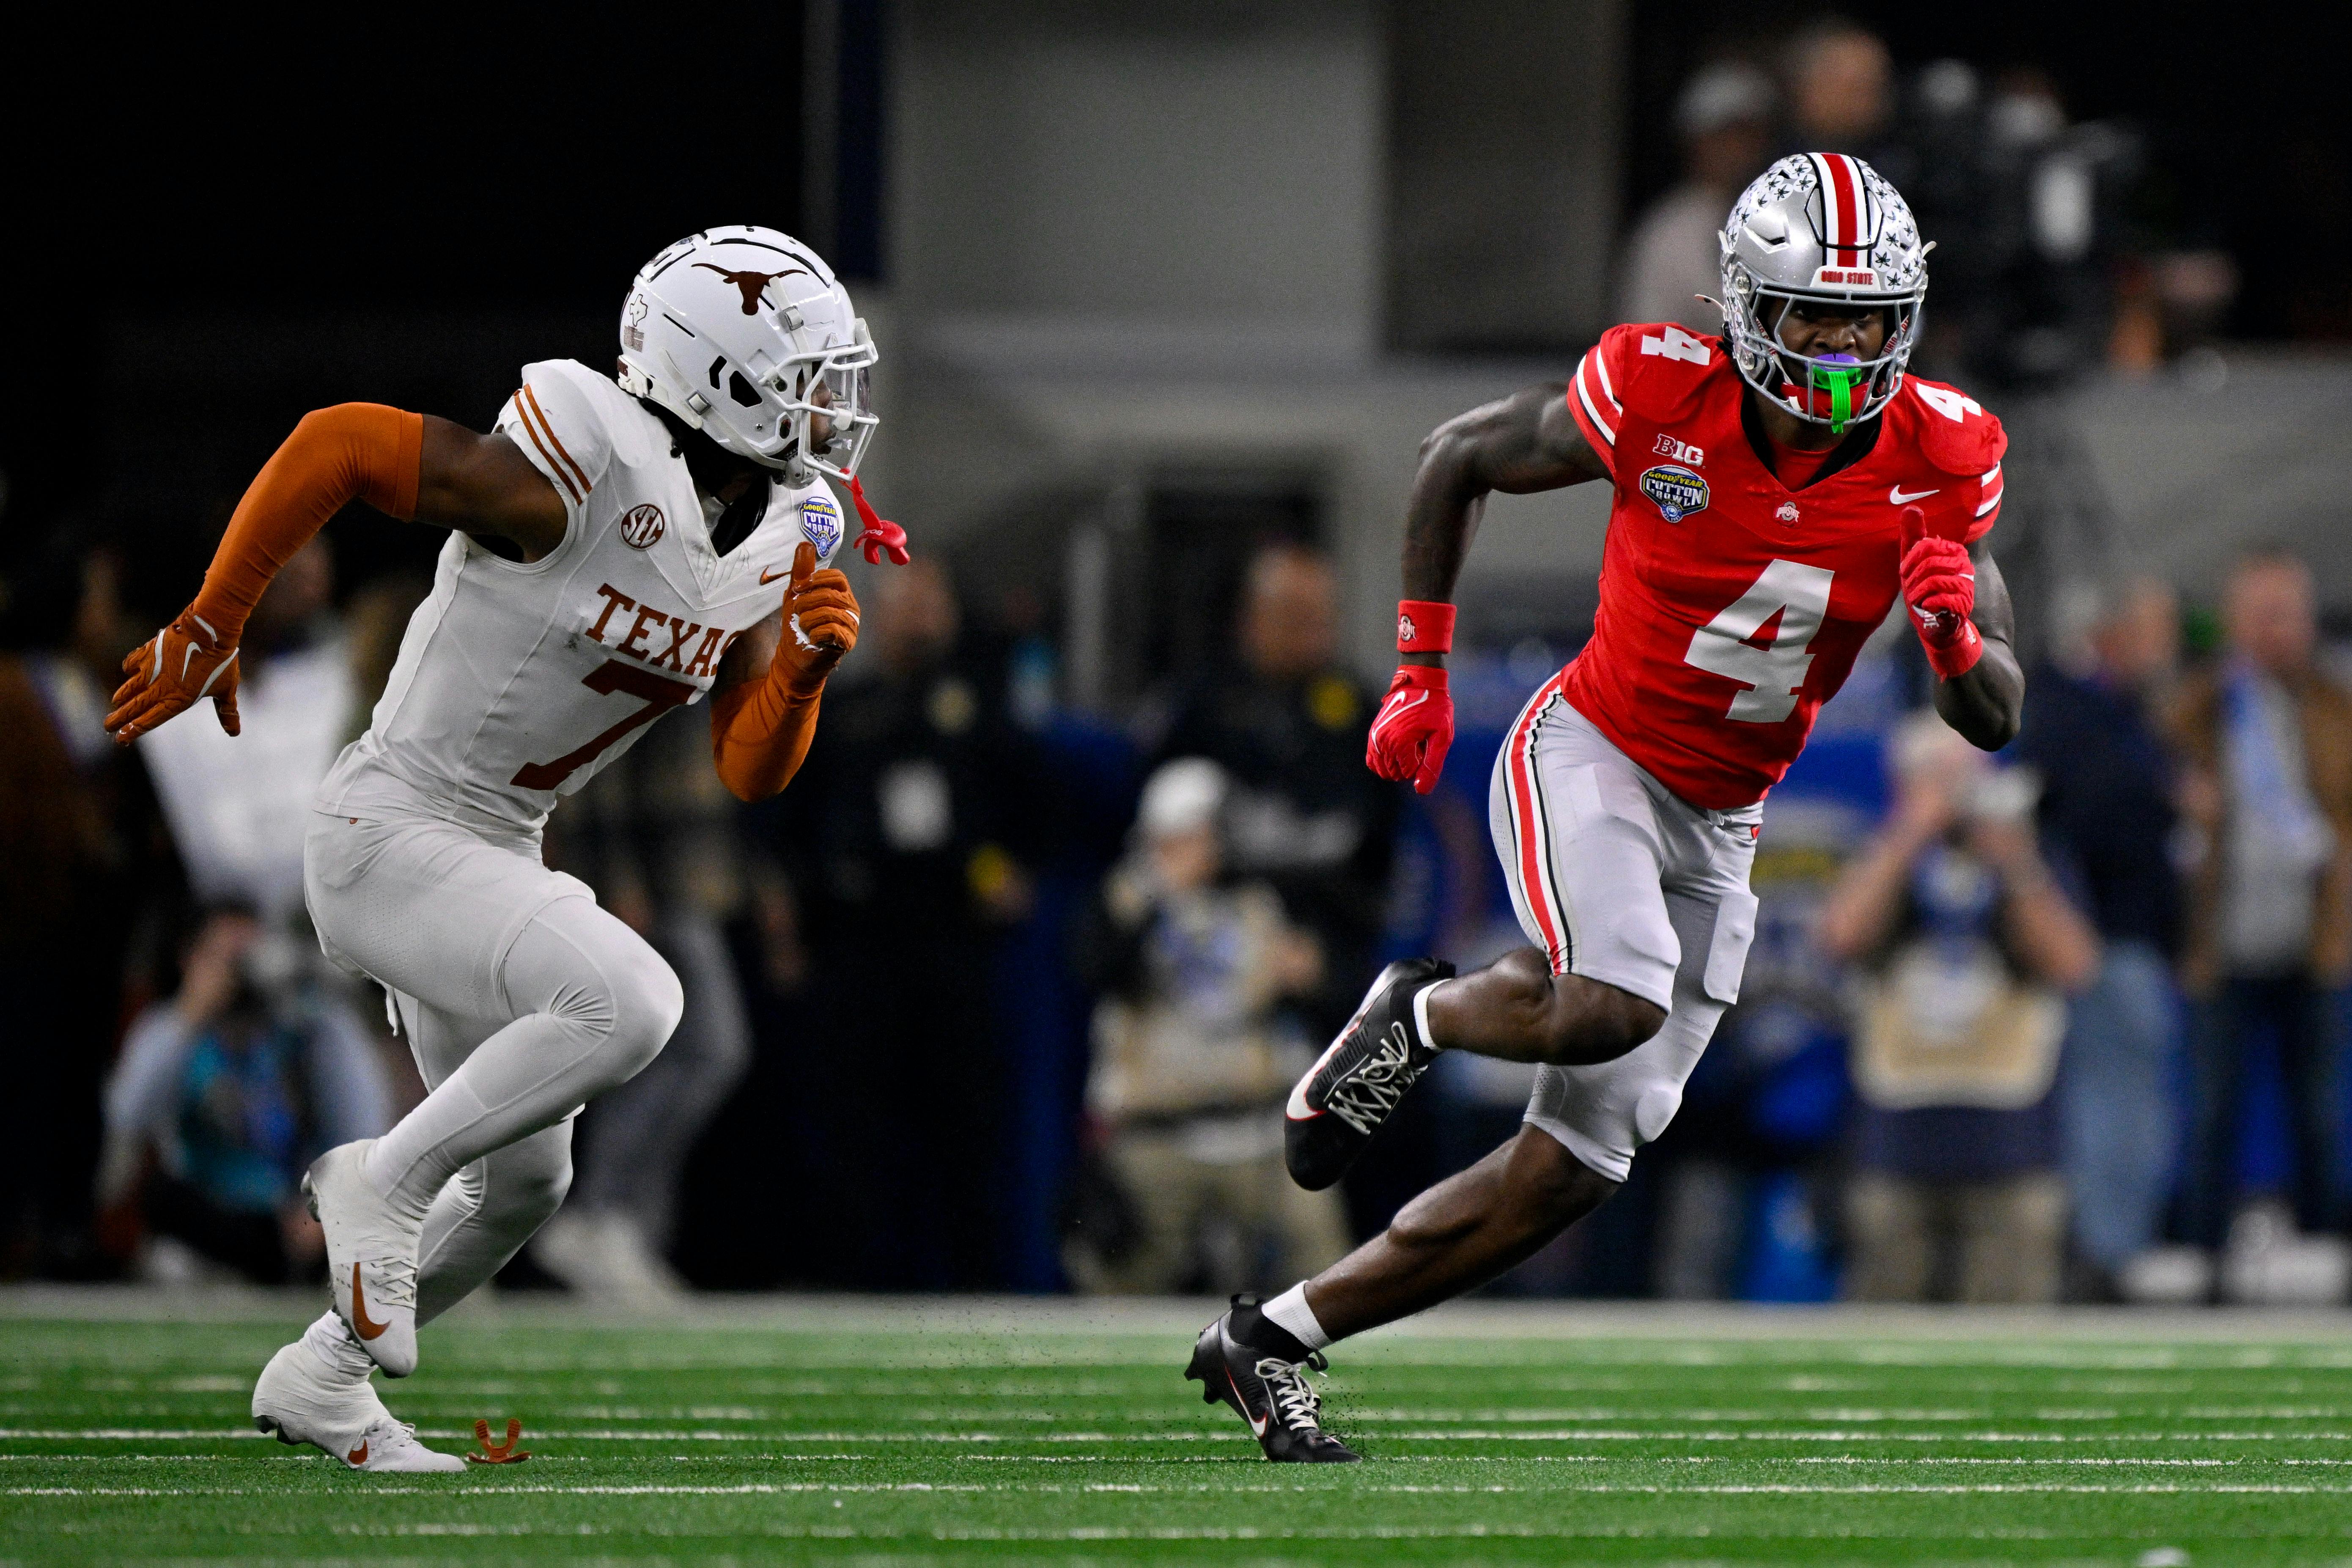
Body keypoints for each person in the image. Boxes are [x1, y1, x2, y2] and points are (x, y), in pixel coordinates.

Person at [1188, 151, 2021, 1461]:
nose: (1843, 346)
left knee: (1567, 1173)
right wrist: (1416, 667)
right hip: (1592, 748)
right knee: (1611, 996)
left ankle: (1269, 1335)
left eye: (1866, 318)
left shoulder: (1941, 451)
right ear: (1749, 304)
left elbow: (1996, 712)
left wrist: (1957, 645)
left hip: (1722, 813)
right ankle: (1418, 1008)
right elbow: (1453, 455)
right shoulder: (1655, 388)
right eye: (1816, 314)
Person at [103, 226, 905, 1472]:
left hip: (491, 857)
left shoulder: (775, 524)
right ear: (716, 376)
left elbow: (748, 766)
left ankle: (324, 1373)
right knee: (638, 996)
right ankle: (377, 1173)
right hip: (389, 826)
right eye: (802, 373)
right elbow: (340, 441)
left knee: (528, 1184)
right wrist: (216, 616)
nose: (830, 407)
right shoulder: (585, 462)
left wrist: (799, 672)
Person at [766, 555, 1039, 1289]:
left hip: (955, 942)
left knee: (968, 1126)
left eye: (932, 603)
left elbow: (1028, 810)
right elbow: (789, 827)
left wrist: (1009, 871)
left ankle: (980, 1291)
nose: (920, 619)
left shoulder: (983, 705)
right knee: (857, 1127)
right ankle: (848, 1283)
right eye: (907, 603)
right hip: (861, 941)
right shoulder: (840, 706)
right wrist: (788, 928)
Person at [1819, 716, 2100, 1303]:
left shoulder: (2031, 857)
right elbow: (1840, 936)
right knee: (1883, 1341)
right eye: (1937, 780)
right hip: (1897, 1135)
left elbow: (2075, 965)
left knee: (2007, 1337)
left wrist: (2015, 864)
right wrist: (1906, 837)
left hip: (2011, 1137)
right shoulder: (1883, 857)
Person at [1066, 758, 1350, 1295]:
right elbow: (1094, 971)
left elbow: (1326, 986)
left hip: (1257, 1130)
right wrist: (1156, 890)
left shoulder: (1257, 900)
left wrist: (1308, 975)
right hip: (1156, 1133)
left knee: (1328, 1271)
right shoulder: (1124, 897)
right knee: (1117, 1292)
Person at [528, 700, 755, 1305]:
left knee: (663, 1055)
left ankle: (627, 1229)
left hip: (685, 878)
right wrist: (621, 877)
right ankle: (600, 1212)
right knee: (711, 1048)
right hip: (656, 883)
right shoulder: (655, 624)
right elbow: (603, 754)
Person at [2171, 551, 2352, 1259]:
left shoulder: (2336, 705)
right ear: (2234, 621)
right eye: (2261, 613)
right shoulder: (2198, 706)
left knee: (2322, 1110)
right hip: (2222, 941)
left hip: (2318, 941)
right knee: (2213, 1110)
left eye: (2287, 613)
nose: (2276, 629)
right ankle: (2202, 1256)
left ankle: (2326, 1255)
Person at [2014, 578, 2185, 1292]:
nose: (2168, 650)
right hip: (2099, 940)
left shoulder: (2123, 713)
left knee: (2128, 1106)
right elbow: (2074, 817)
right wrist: (2163, 801)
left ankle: (2109, 1245)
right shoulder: (2068, 711)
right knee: (2111, 1109)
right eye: (2157, 631)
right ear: (2114, 633)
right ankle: (2102, 1254)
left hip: (2129, 940)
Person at [1151, 544, 1396, 1040]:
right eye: (1294, 617)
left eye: (1322, 616)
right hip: (1207, 951)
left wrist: (1330, 949)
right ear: (1252, 618)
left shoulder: (1361, 713)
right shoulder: (1196, 710)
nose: (1313, 633)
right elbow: (1156, 846)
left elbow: (1380, 851)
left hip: (1324, 949)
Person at [97, 909, 391, 1285]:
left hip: (290, 1215)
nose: (240, 976)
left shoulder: (307, 1030)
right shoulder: (170, 1029)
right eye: (225, 959)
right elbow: (127, 1118)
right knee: (160, 1194)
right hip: (207, 1210)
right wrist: (190, 1015)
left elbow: (362, 1130)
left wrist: (327, 1211)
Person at [1616, 63, 1777, 333]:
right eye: (1723, 136)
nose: (1737, 149)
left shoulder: (1782, 214)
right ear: (1694, 142)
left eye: (1748, 135)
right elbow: (1644, 337)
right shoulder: (1665, 231)